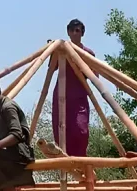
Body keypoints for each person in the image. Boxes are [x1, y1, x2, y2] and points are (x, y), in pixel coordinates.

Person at [49, 19, 96, 157]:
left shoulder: (88, 53)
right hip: (61, 95)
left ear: (82, 34)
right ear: (68, 32)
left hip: (79, 95)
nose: (75, 33)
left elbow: (94, 75)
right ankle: (65, 156)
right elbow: (52, 67)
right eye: (73, 30)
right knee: (61, 128)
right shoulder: (60, 49)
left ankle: (80, 159)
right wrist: (53, 51)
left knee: (81, 130)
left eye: (78, 31)